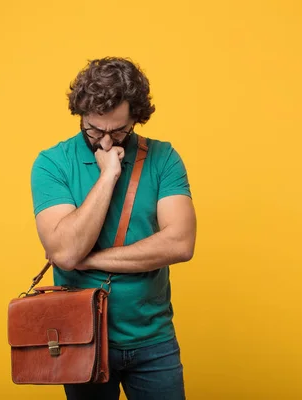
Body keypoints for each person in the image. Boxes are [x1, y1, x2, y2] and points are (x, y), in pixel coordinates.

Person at [30, 57, 197, 400]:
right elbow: (65, 251)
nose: (106, 143)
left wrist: (90, 260)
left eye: (119, 131)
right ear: (81, 115)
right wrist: (109, 175)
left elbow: (180, 243)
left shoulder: (163, 158)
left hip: (153, 340)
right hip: (81, 338)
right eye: (94, 130)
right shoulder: (52, 163)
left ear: (136, 117)